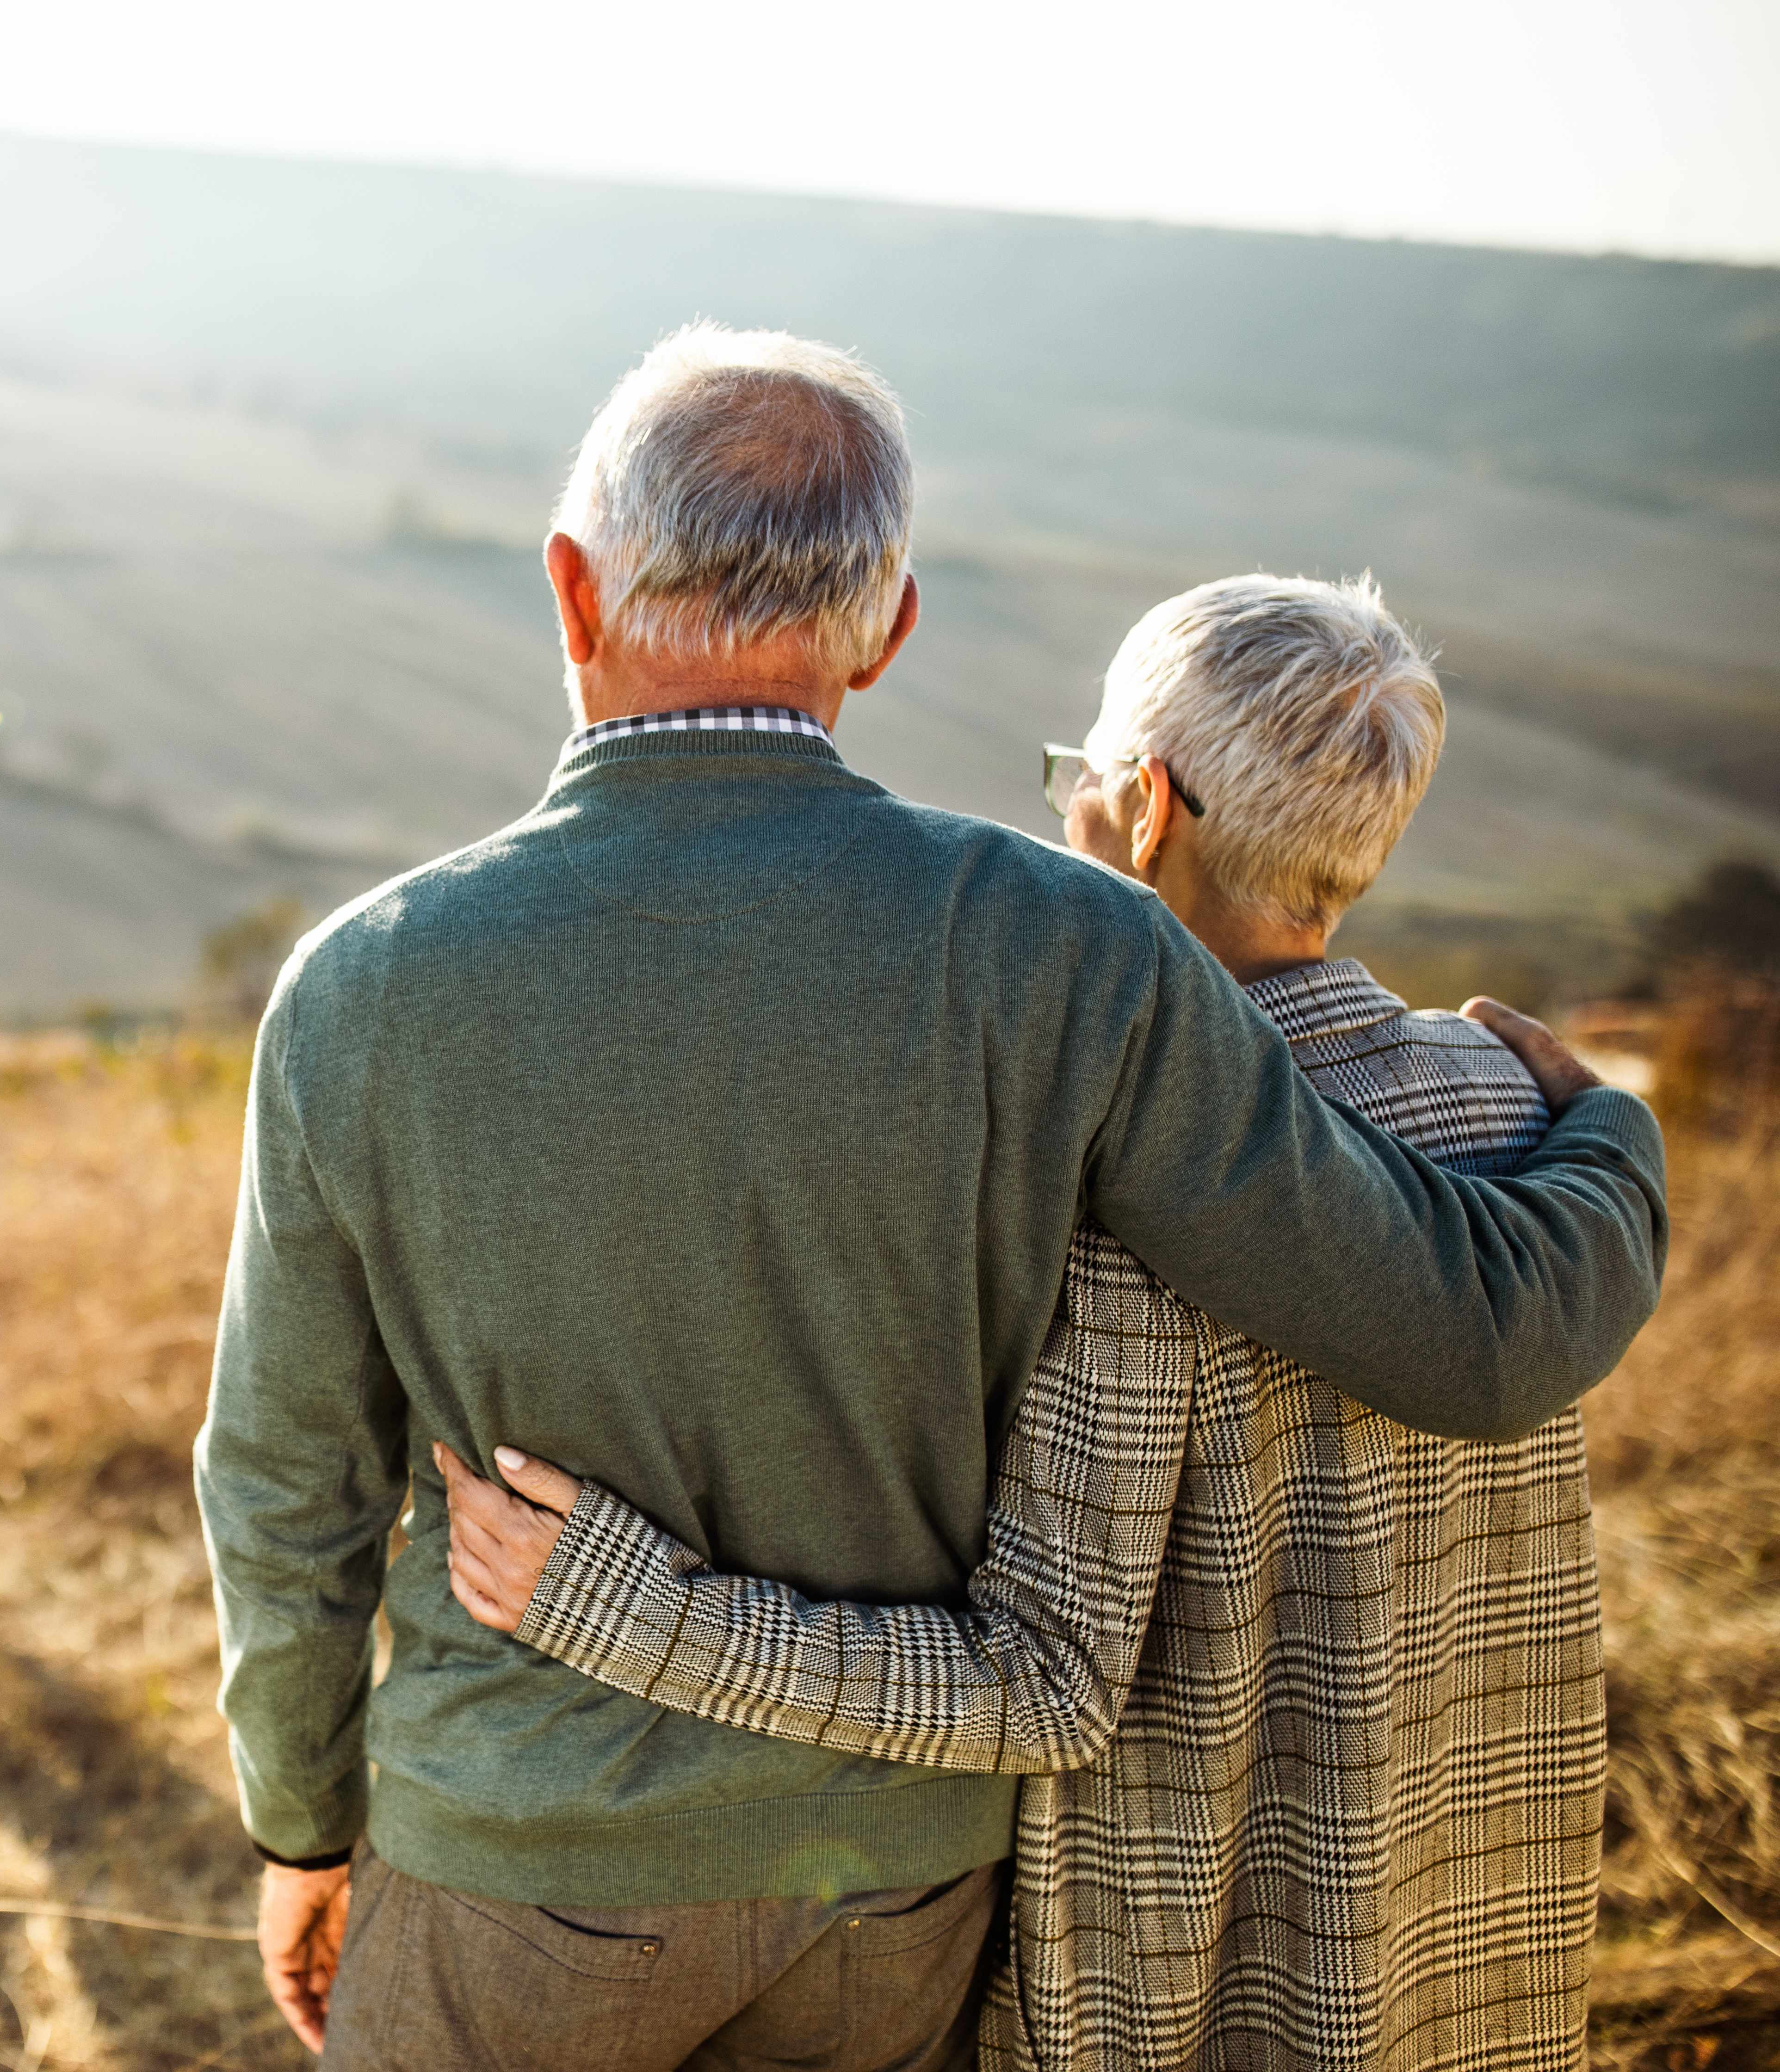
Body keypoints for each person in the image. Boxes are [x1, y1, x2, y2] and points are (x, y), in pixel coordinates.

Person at [192, 326, 1668, 2071]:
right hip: (891, 1891)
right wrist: (1606, 1144)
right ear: (883, 631)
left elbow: (286, 1484)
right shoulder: (1063, 951)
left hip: (514, 1869)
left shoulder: (360, 984)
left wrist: (300, 1824)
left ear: (570, 593)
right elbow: (1458, 1333)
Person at [437, 574, 1620, 2070]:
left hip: (1185, 1983)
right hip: (1474, 1962)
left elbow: (1047, 1685)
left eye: (1074, 783)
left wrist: (631, 1610)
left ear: (1142, 810)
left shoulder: (1101, 1180)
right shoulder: (1514, 1105)